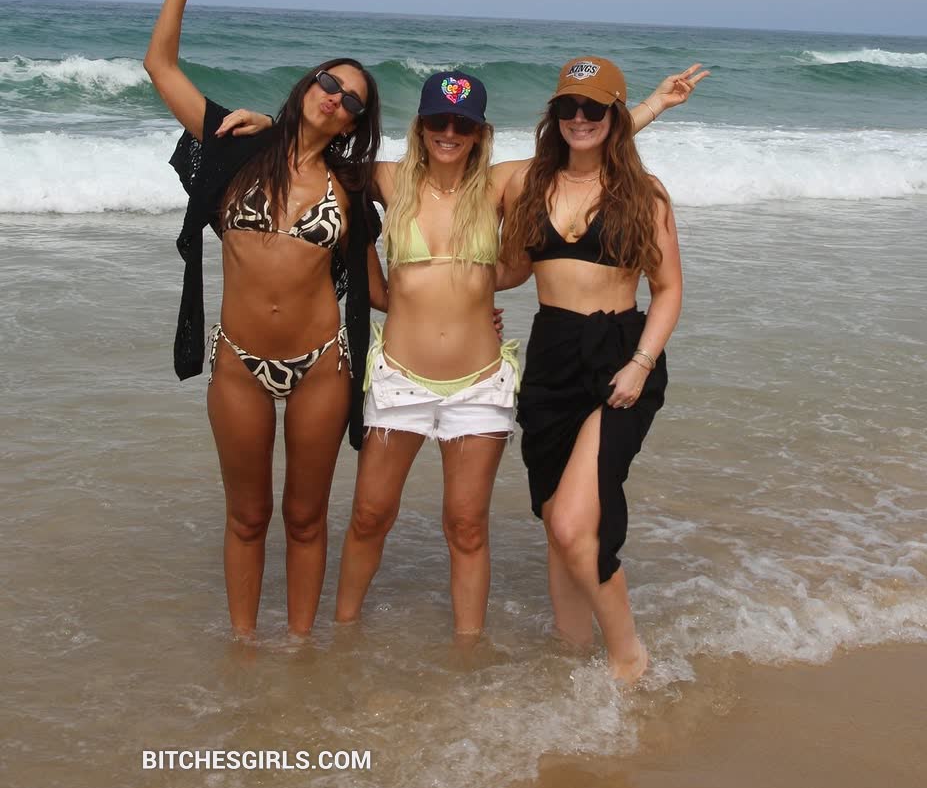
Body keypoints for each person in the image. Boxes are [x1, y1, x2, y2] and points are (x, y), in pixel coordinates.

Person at [231, 64, 706, 639]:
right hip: (399, 376)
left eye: (463, 123)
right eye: (438, 120)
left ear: (481, 132)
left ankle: (467, 653)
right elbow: (313, 150)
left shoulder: (501, 185)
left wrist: (651, 106)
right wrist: (272, 127)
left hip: (480, 381)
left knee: (466, 526)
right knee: (370, 516)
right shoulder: (387, 179)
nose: (449, 132)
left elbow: (583, 143)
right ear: (421, 125)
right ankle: (343, 636)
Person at [143, 0, 384, 637]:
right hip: (238, 364)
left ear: (354, 124)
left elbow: (382, 281)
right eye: (329, 83)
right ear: (308, 85)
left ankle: (302, 650)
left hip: (321, 367)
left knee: (306, 519)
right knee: (247, 517)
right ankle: (245, 650)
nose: (335, 98)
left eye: (351, 100)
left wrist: (468, 305)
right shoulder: (235, 145)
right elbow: (160, 66)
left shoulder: (352, 185)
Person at [499, 56, 683, 683]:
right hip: (551, 354)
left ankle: (628, 657)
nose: (579, 118)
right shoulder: (529, 184)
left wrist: (640, 363)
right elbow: (510, 268)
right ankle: (570, 648)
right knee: (555, 519)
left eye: (594, 108)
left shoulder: (644, 193)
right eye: (567, 107)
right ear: (554, 114)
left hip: (619, 356)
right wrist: (445, 288)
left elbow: (669, 289)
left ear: (614, 115)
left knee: (577, 523)